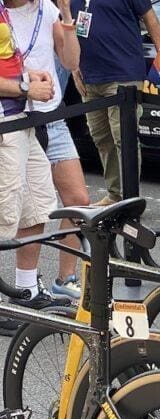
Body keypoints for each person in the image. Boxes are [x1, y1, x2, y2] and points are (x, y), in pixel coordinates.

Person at [7, 0, 87, 300]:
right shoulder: (4, 13)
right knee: (18, 207)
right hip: (13, 118)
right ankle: (24, 285)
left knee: (76, 200)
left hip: (50, 117)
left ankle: (63, 278)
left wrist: (66, 16)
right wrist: (27, 86)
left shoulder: (47, 10)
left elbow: (70, 61)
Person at [0, 6, 70, 336]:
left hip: (23, 118)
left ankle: (26, 290)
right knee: (4, 211)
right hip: (5, 122)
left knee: (37, 205)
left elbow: (8, 56)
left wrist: (29, 76)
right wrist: (26, 89)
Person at [69, 0, 160, 205]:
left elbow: (150, 18)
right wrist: (72, 66)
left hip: (124, 75)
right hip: (90, 76)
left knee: (124, 137)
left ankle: (129, 198)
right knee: (101, 137)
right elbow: (68, 28)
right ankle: (115, 196)